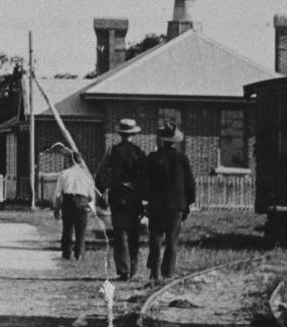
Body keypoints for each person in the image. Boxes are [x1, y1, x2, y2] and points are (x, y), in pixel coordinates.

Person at [141, 122, 197, 284]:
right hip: (176, 206)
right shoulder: (182, 159)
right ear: (175, 141)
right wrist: (187, 204)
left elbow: (145, 182)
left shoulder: (152, 158)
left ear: (162, 140)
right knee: (172, 239)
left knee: (155, 237)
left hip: (157, 205)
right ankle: (168, 272)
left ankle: (154, 272)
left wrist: (147, 199)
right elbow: (190, 184)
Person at [95, 118, 148, 279]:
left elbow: (100, 173)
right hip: (135, 198)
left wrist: (101, 191)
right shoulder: (139, 152)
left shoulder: (112, 151)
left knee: (120, 234)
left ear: (120, 134)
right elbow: (146, 177)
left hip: (118, 197)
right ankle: (132, 269)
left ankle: (123, 269)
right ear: (133, 134)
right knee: (134, 234)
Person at [53, 149, 96, 261]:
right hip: (81, 201)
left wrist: (56, 207)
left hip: (68, 201)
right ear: (80, 161)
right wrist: (91, 207)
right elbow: (91, 194)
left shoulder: (64, 174)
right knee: (80, 229)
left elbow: (58, 193)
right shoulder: (87, 175)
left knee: (67, 228)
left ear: (70, 161)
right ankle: (79, 253)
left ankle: (66, 252)